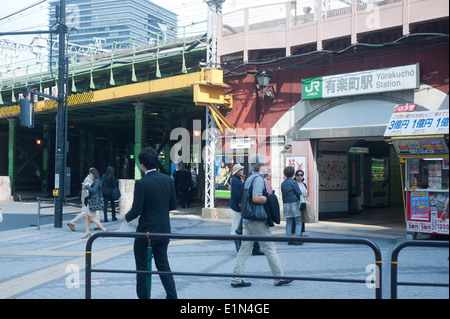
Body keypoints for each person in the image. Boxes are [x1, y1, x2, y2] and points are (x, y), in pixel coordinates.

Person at [123, 147, 178, 299]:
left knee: (142, 269)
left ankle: (143, 297)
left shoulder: (142, 183)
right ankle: (172, 296)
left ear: (142, 165)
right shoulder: (168, 180)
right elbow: (173, 205)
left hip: (145, 233)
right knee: (163, 266)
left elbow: (136, 210)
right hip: (163, 231)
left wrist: (125, 218)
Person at [231, 154, 292, 288]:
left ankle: (236, 278)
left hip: (247, 219)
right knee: (270, 248)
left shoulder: (249, 178)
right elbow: (256, 198)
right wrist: (270, 199)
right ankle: (279, 278)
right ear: (260, 166)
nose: (267, 166)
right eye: (265, 164)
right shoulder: (258, 179)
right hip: (257, 220)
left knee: (244, 250)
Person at [230, 163, 264, 255]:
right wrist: (239, 203)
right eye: (240, 170)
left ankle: (251, 247)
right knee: (237, 225)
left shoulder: (238, 179)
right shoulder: (236, 180)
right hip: (238, 206)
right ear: (237, 172)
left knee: (241, 225)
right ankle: (238, 242)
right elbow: (236, 194)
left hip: (240, 206)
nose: (242, 171)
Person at [83, 168, 108, 238]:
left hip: (94, 201)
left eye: (90, 174)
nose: (90, 175)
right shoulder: (95, 181)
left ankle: (103, 229)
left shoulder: (96, 182)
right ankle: (87, 232)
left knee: (91, 217)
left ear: (94, 174)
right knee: (86, 216)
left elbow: (93, 191)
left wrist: (86, 186)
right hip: (92, 200)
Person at [281, 166, 303, 245]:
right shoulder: (294, 182)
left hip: (286, 204)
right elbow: (298, 193)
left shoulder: (283, 183)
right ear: (293, 173)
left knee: (289, 221)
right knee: (298, 221)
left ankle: (289, 239)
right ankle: (297, 238)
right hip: (294, 203)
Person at [295, 169, 308, 237]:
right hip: (297, 203)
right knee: (298, 218)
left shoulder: (304, 184)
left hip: (304, 202)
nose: (299, 176)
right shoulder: (295, 184)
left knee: (303, 218)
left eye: (301, 175)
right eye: (298, 175)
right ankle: (296, 232)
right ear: (295, 176)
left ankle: (302, 231)